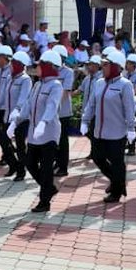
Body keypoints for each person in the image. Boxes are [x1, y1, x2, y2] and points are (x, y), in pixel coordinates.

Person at [11, 50, 64, 212]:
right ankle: (49, 189)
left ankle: (44, 202)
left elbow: (52, 106)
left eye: (40, 65)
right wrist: (16, 122)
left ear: (48, 67)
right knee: (30, 163)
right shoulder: (37, 84)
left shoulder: (56, 85)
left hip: (48, 133)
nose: (37, 68)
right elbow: (27, 105)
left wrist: (43, 123)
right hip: (35, 133)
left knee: (47, 168)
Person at [81, 49, 135, 202]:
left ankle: (116, 192)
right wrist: (85, 121)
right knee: (98, 158)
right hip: (99, 131)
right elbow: (91, 105)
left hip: (116, 132)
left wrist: (131, 128)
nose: (102, 68)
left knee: (117, 162)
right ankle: (117, 181)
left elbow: (129, 108)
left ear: (116, 67)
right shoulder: (99, 83)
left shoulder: (125, 85)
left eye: (105, 65)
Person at [4, 51, 33, 181]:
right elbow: (4, 95)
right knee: (5, 142)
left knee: (20, 145)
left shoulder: (25, 79)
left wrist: (16, 110)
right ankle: (15, 165)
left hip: (20, 118)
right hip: (8, 116)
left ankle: (21, 171)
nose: (10, 65)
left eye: (13, 63)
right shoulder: (10, 77)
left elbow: (24, 97)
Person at [53, 44, 75, 177]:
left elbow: (66, 92)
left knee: (62, 140)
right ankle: (57, 160)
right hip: (52, 112)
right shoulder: (50, 71)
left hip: (63, 111)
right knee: (53, 139)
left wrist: (54, 106)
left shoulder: (68, 72)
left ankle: (63, 167)